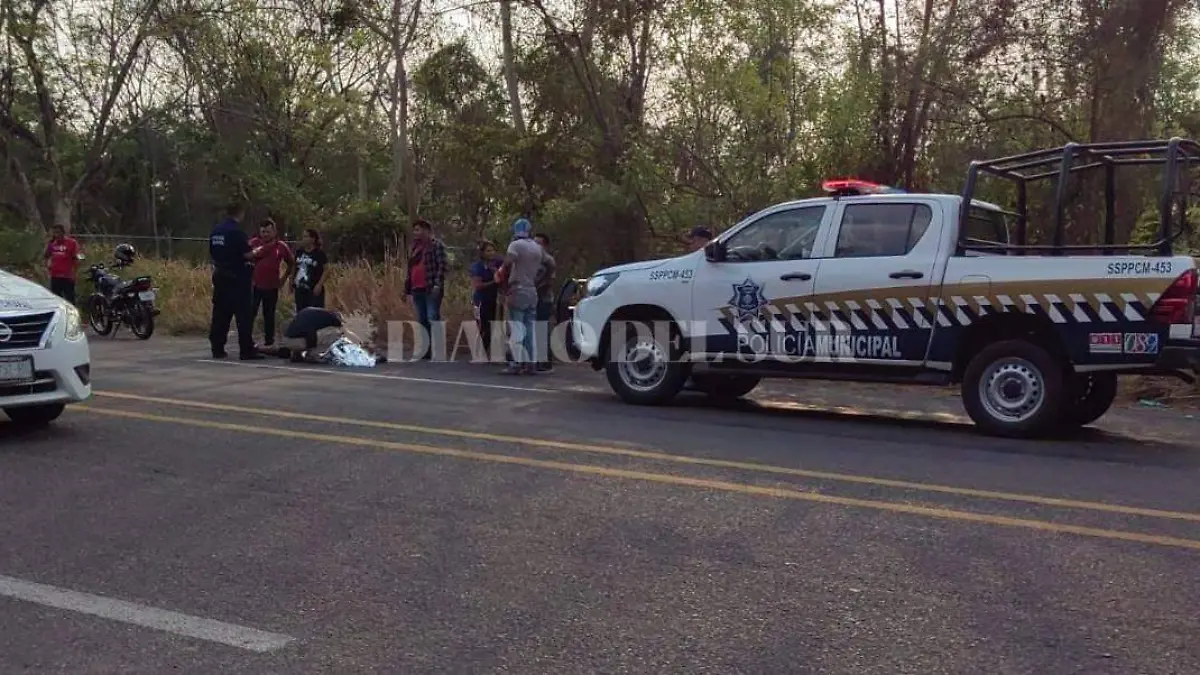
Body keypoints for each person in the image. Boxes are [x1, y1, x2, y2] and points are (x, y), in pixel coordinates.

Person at [208, 202, 262, 360]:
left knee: (220, 314)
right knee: (243, 316)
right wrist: (257, 251)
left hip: (220, 275)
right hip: (238, 278)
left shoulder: (216, 231)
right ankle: (246, 350)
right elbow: (247, 255)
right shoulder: (237, 232)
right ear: (240, 213)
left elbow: (212, 252)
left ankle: (217, 347)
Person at [498, 217, 548, 375]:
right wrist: (539, 280)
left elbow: (507, 264)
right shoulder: (537, 247)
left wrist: (504, 286)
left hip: (517, 289)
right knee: (529, 327)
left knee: (517, 328)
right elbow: (549, 265)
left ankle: (516, 363)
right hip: (532, 289)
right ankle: (531, 362)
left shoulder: (515, 245)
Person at [404, 219, 447, 359]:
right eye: (415, 230)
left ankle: (439, 349)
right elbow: (410, 269)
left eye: (418, 229)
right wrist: (408, 289)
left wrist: (437, 284)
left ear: (427, 231)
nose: (416, 233)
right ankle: (426, 350)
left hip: (431, 286)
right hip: (417, 288)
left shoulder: (436, 246)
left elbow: (442, 266)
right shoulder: (415, 248)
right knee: (422, 319)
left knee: (432, 317)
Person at [249, 219, 295, 348]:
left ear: (274, 231)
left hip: (272, 286)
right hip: (254, 285)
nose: (265, 234)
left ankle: (269, 342)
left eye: (268, 232)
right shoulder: (253, 243)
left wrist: (284, 278)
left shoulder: (281, 246)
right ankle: (247, 340)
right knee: (250, 313)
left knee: (269, 315)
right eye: (263, 232)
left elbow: (291, 263)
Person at [468, 240, 502, 361]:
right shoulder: (477, 267)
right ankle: (479, 351)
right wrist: (495, 282)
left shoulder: (496, 263)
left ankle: (485, 350)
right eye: (488, 251)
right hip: (480, 300)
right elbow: (478, 286)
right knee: (483, 326)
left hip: (492, 299)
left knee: (491, 324)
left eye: (493, 250)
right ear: (482, 253)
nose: (491, 253)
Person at [533, 233, 558, 372]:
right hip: (531, 298)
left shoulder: (548, 260)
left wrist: (536, 290)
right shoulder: (531, 260)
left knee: (542, 328)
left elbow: (549, 281)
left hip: (543, 298)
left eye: (539, 243)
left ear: (545, 245)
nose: (535, 246)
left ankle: (545, 361)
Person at [292, 228, 328, 311]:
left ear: (313, 239)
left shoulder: (319, 253)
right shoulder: (299, 252)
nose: (303, 239)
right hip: (300, 289)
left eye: (306, 236)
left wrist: (319, 284)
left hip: (313, 289)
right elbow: (295, 266)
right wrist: (291, 280)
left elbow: (327, 270)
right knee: (301, 314)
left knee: (314, 314)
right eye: (303, 237)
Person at [44, 225, 81, 303]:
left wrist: (75, 273)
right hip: (55, 276)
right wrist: (48, 267)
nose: (56, 235)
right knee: (57, 299)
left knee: (69, 298)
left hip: (67, 276)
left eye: (58, 232)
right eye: (54, 233)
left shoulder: (71, 243)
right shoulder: (52, 244)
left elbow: (76, 259)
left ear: (63, 233)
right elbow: (46, 256)